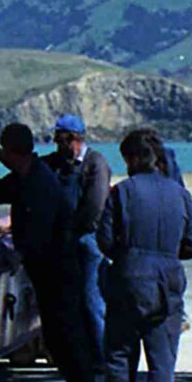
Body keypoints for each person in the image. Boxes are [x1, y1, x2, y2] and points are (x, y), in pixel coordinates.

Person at [0, 122, 96, 382]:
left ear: (11, 150)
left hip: (57, 269)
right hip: (49, 269)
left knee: (65, 331)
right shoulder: (28, 174)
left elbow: (39, 233)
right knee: (58, 332)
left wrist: (18, 255)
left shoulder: (38, 183)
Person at [96, 126, 192, 382]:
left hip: (127, 280)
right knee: (162, 363)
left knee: (119, 358)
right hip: (166, 284)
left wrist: (128, 256)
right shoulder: (179, 194)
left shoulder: (122, 192)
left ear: (132, 159)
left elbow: (105, 240)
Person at [43, 113, 111, 364]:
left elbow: (95, 205)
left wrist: (74, 229)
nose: (58, 146)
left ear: (74, 139)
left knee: (92, 300)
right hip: (64, 240)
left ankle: (102, 357)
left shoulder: (95, 163)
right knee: (68, 300)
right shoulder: (56, 163)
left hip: (88, 240)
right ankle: (79, 356)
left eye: (62, 140)